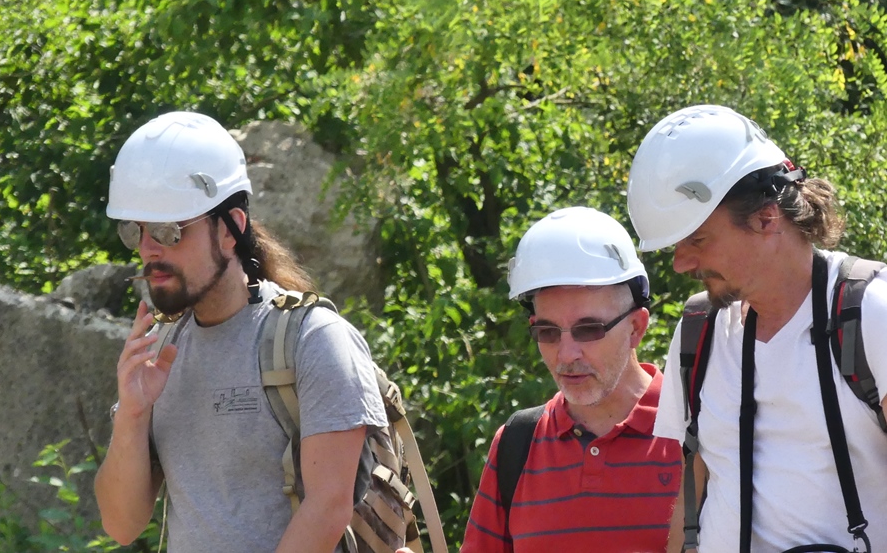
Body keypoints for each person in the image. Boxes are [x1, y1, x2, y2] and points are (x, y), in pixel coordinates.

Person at [93, 111, 388, 553]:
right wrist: (132, 414)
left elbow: (329, 508)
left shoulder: (314, 339)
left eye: (169, 231)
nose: (148, 249)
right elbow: (121, 524)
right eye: (135, 231)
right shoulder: (162, 350)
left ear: (231, 229)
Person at [627, 104, 887, 553]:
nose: (681, 263)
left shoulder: (869, 313)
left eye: (697, 240)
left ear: (767, 218)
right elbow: (695, 488)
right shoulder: (699, 332)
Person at [407, 207, 681, 553]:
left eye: (588, 329)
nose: (566, 355)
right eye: (548, 332)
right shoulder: (516, 444)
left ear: (636, 327)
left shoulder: (697, 433)